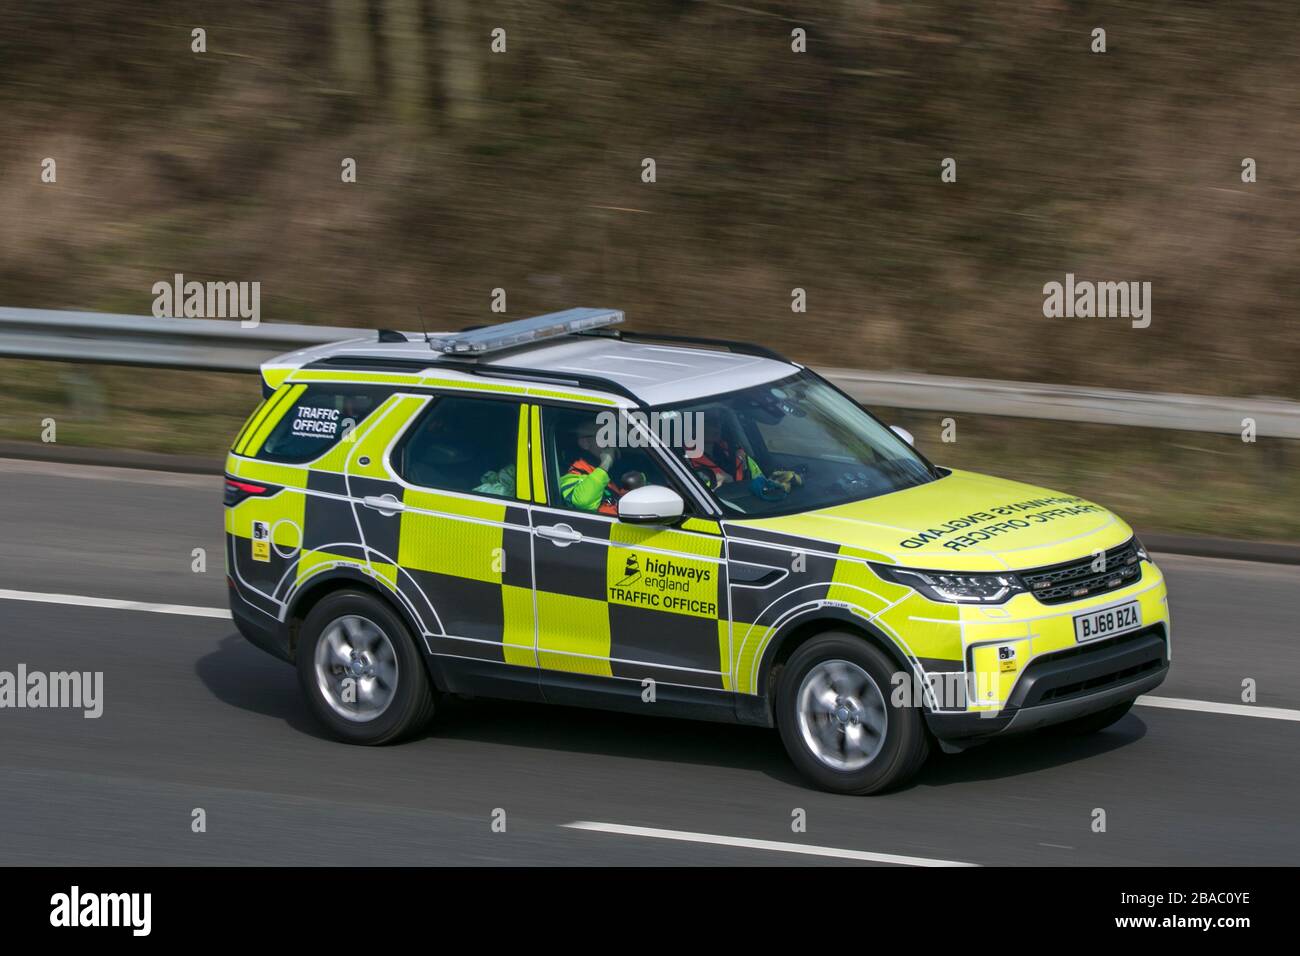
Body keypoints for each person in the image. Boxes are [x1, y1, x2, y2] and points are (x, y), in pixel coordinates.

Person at [559, 417, 633, 515]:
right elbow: (582, 502)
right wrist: (606, 463)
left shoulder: (611, 472)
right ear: (585, 443)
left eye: (610, 436)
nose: (609, 442)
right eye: (603, 436)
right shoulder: (573, 474)